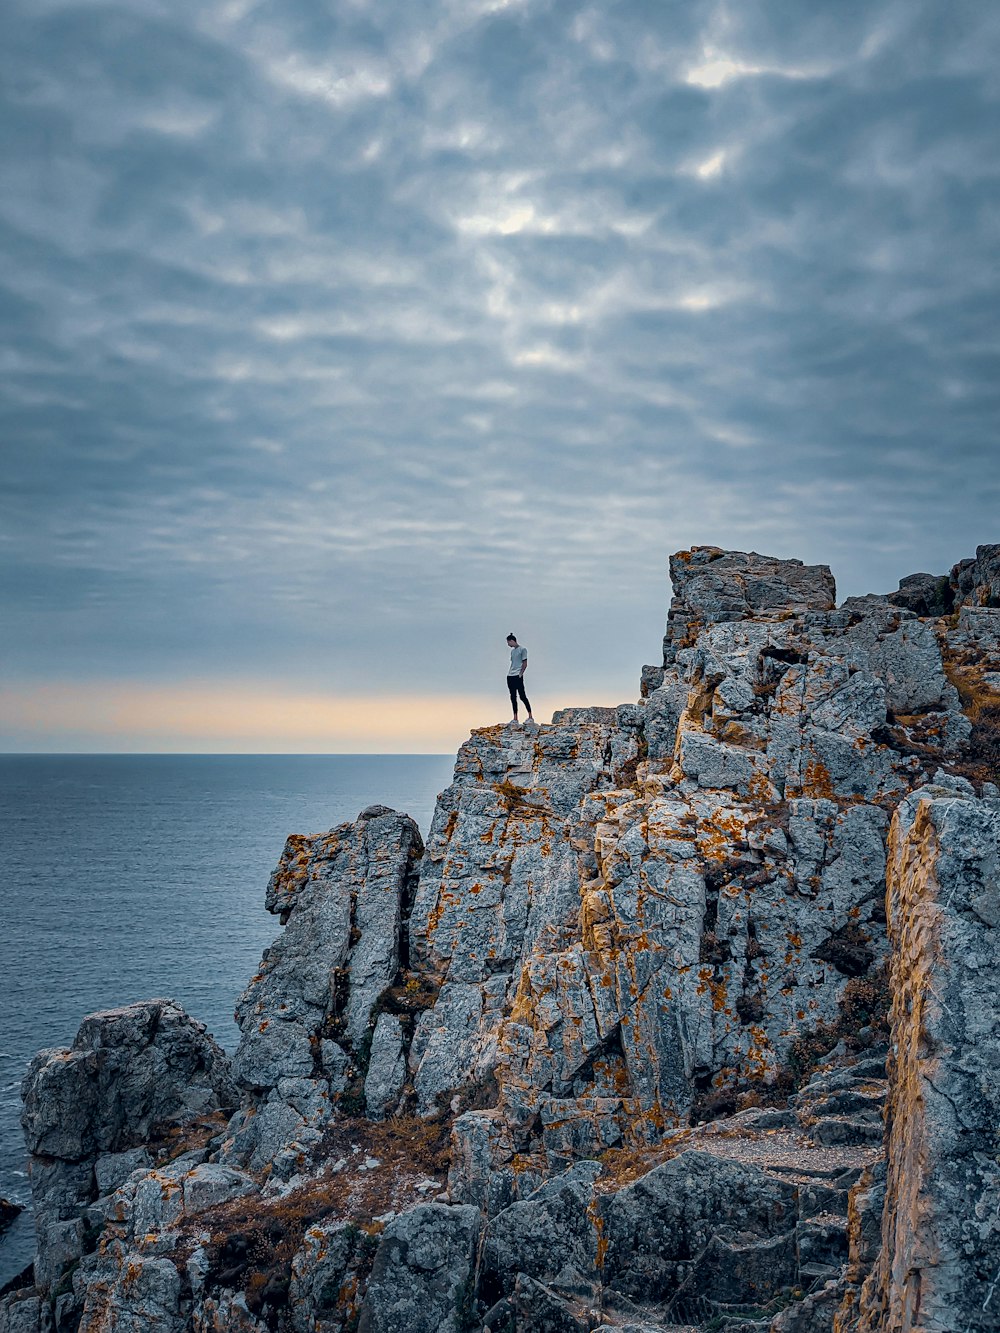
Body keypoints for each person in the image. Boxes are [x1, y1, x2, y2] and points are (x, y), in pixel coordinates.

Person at [505, 632, 533, 725]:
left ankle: (530, 716)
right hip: (510, 675)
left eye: (508, 642)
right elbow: (513, 663)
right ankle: (515, 718)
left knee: (522, 696)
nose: (508, 644)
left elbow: (525, 663)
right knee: (513, 697)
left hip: (518, 675)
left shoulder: (523, 649)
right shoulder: (512, 651)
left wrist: (521, 674)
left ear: (512, 641)